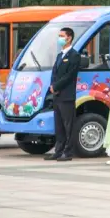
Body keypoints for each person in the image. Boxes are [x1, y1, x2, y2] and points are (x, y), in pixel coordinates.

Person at [46, 27, 82, 161]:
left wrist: (56, 86)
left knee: (69, 126)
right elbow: (54, 73)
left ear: (69, 38)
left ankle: (68, 152)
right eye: (59, 35)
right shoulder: (59, 55)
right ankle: (58, 150)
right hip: (57, 95)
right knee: (59, 125)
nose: (59, 38)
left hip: (67, 95)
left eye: (62, 36)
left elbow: (69, 76)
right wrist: (52, 86)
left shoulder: (74, 55)